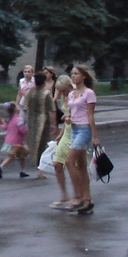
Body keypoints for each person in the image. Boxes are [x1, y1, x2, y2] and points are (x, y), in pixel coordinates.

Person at [63, 64, 99, 215]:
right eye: (72, 74)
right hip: (74, 128)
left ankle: (77, 195)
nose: (73, 76)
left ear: (84, 76)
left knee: (69, 161)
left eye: (76, 74)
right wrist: (68, 117)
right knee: (81, 165)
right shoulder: (72, 94)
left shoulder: (88, 93)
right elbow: (74, 111)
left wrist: (95, 135)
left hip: (85, 129)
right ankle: (87, 198)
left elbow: (90, 115)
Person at [48, 74, 75, 209]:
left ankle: (78, 195)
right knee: (57, 164)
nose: (63, 93)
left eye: (64, 90)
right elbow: (66, 118)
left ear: (70, 86)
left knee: (73, 166)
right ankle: (64, 194)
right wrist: (61, 133)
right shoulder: (65, 97)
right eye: (60, 91)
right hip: (67, 132)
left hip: (76, 133)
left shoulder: (76, 94)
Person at [22, 76, 54, 179]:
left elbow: (25, 107)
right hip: (43, 120)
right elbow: (51, 109)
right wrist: (54, 124)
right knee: (43, 144)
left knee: (33, 143)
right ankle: (40, 169)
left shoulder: (29, 92)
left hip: (31, 120)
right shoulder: (46, 93)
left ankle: (36, 164)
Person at [0, 103, 29, 177]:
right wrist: (27, 130)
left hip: (9, 141)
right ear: (16, 110)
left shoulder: (9, 119)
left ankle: (22, 171)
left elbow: (4, 127)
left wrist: (1, 124)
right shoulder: (19, 120)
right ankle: (1, 167)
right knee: (11, 157)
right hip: (17, 142)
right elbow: (22, 131)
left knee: (21, 156)